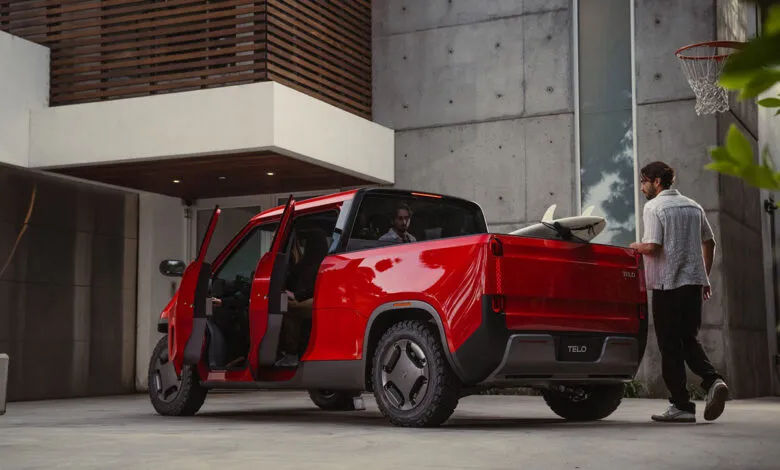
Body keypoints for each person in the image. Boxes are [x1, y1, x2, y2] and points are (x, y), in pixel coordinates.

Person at [629, 161, 730, 423]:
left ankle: (681, 406)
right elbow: (710, 241)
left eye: (644, 181)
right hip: (693, 284)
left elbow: (653, 246)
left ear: (657, 182)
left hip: (667, 285)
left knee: (670, 345)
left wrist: (634, 246)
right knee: (689, 339)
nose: (641, 187)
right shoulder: (693, 206)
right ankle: (713, 380)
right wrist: (704, 276)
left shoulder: (654, 207)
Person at [275, 228, 330, 368]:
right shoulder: (309, 261)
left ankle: (291, 355)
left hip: (320, 300)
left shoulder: (321, 264)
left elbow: (314, 287)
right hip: (310, 298)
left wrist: (296, 296)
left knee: (288, 310)